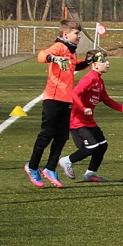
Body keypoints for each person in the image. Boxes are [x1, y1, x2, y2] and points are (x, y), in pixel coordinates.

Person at [24, 19, 90, 188]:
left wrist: (88, 61)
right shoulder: (59, 46)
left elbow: (74, 66)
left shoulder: (71, 50)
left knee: (61, 136)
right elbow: (41, 56)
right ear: (65, 34)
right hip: (53, 98)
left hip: (66, 99)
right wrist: (53, 58)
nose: (79, 36)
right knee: (47, 134)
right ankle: (32, 166)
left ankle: (50, 168)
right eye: (76, 33)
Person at [58, 50, 123, 183]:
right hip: (77, 120)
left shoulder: (99, 81)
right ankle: (66, 161)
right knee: (92, 147)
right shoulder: (89, 78)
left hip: (88, 121)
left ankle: (90, 173)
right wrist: (83, 108)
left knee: (102, 145)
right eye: (103, 61)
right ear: (94, 65)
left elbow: (107, 100)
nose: (107, 63)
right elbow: (74, 93)